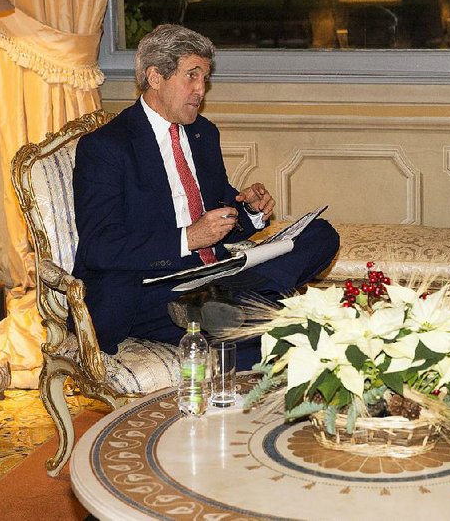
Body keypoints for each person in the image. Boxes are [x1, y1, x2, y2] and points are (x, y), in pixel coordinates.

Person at [72, 24, 339, 368]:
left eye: (205, 78)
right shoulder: (107, 146)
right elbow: (100, 246)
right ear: (155, 77)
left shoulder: (203, 133)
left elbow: (221, 212)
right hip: (152, 287)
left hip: (215, 275)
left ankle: (234, 300)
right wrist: (189, 238)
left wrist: (250, 212)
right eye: (192, 76)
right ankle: (242, 304)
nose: (201, 89)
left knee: (321, 234)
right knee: (282, 336)